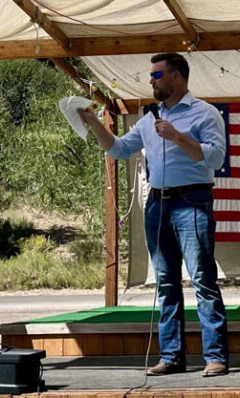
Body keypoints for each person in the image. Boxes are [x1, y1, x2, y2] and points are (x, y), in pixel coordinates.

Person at [78, 52, 229, 377]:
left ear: (177, 77)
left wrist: (177, 136)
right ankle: (171, 356)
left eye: (157, 75)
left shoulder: (205, 113)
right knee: (166, 282)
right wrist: (92, 122)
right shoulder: (148, 119)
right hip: (158, 205)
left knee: (202, 278)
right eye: (151, 76)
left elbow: (216, 159)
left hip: (193, 200)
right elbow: (119, 149)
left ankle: (215, 356)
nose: (151, 81)